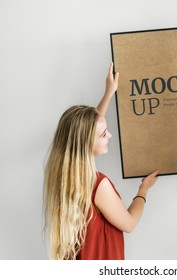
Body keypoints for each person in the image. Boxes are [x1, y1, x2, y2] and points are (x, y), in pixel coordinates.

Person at [43, 63, 159, 260]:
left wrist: (109, 93)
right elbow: (129, 223)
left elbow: (88, 128)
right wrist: (143, 190)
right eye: (104, 134)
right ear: (87, 142)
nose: (110, 135)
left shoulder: (62, 176)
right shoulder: (98, 185)